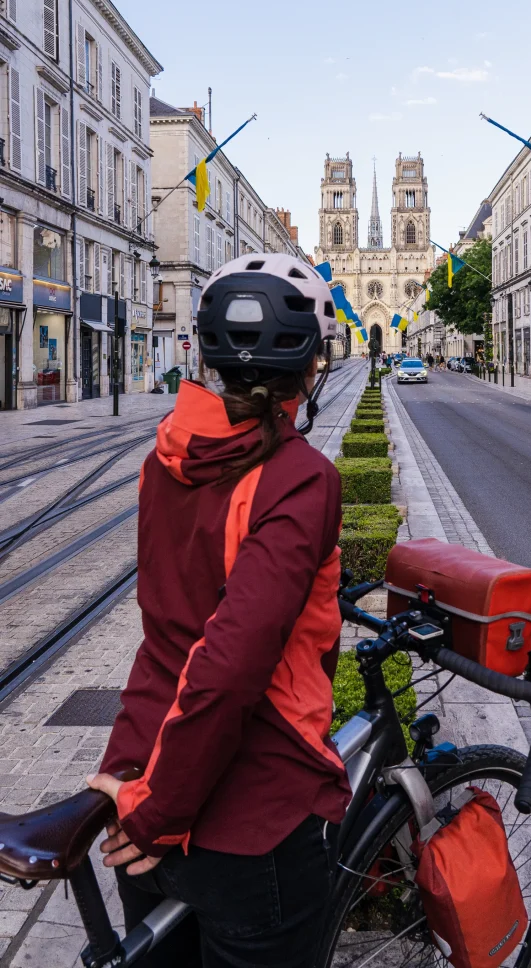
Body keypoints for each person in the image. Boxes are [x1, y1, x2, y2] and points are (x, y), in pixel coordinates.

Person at [87, 253, 350, 968]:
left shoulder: (165, 456)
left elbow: (174, 623)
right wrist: (163, 812)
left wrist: (145, 800)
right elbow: (232, 666)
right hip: (241, 816)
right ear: (308, 368)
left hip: (138, 772)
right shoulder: (301, 479)